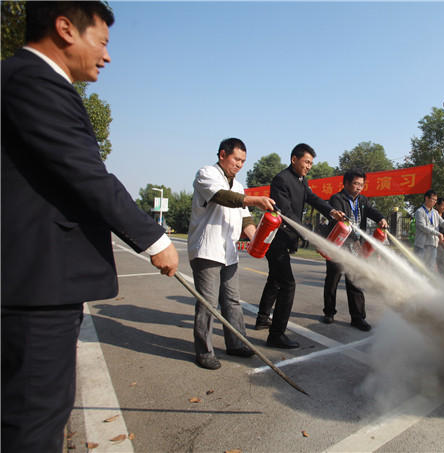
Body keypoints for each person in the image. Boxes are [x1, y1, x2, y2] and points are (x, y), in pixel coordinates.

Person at [1, 3, 179, 452]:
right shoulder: (34, 81)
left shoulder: (18, 79)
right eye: (101, 42)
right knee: (33, 422)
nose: (107, 56)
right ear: (65, 29)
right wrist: (155, 239)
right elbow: (86, 175)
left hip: (26, 284)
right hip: (35, 290)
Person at [188, 138, 276, 370]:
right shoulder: (206, 174)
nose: (239, 164)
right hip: (207, 249)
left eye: (243, 161)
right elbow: (222, 197)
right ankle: (204, 351)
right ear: (222, 155)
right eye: (236, 159)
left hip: (228, 251)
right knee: (207, 303)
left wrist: (259, 239)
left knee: (232, 300)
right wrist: (255, 200)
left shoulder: (238, 186)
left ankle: (236, 343)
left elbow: (245, 218)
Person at [255, 144, 345, 349]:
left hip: (286, 240)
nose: (309, 167)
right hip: (276, 240)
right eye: (306, 162)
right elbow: (286, 212)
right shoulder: (281, 179)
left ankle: (262, 318)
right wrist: (307, 232)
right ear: (294, 159)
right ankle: (276, 334)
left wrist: (331, 212)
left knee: (275, 280)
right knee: (288, 284)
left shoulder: (302, 181)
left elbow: (312, 199)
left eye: (311, 163)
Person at [322, 169, 388, 331]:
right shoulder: (337, 199)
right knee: (333, 280)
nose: (359, 187)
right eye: (356, 184)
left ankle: (358, 317)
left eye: (362, 184)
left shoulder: (363, 200)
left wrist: (380, 218)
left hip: (355, 246)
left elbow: (370, 211)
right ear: (346, 183)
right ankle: (329, 312)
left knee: (355, 281)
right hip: (338, 245)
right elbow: (341, 221)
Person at [414, 190, 444, 271]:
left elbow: (443, 223)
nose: (435, 202)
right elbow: (423, 227)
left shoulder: (435, 212)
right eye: (433, 199)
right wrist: (438, 234)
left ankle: (428, 283)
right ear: (426, 198)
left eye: (436, 200)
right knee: (420, 267)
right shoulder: (419, 212)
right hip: (422, 244)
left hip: (432, 244)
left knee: (431, 267)